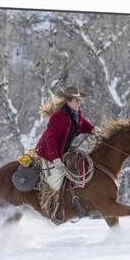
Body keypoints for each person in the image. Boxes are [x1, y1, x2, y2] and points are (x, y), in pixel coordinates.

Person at [35, 86, 96, 220]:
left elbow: (82, 124)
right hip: (48, 152)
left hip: (63, 152)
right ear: (68, 101)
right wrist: (56, 159)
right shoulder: (58, 117)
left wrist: (93, 130)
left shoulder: (76, 114)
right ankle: (50, 208)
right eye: (76, 100)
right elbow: (51, 140)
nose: (78, 103)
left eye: (79, 100)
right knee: (56, 182)